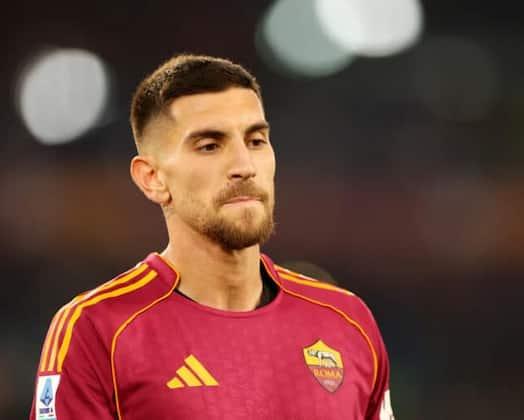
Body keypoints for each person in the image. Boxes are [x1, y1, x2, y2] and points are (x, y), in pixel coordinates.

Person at [30, 54, 395, 420]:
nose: (244, 166)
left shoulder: (348, 323)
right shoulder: (97, 330)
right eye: (209, 145)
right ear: (152, 179)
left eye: (256, 141)